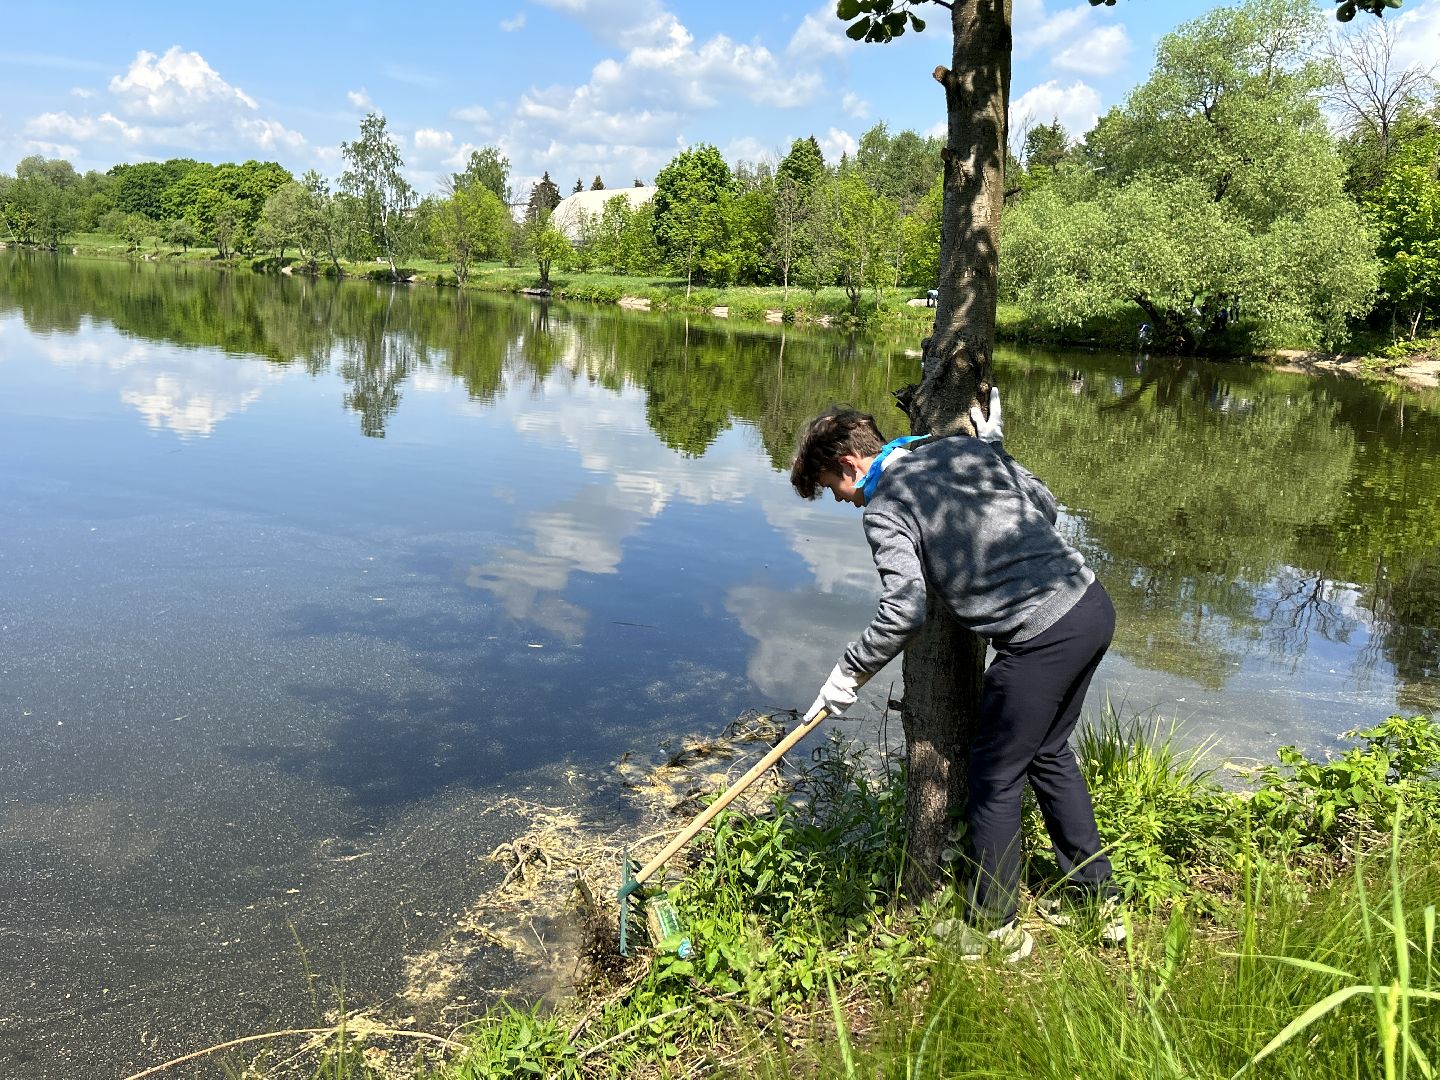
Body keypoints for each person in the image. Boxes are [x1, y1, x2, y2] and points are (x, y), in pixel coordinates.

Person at [789, 388, 1120, 961]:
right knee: (1049, 753)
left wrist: (846, 673)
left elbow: (904, 610)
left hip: (1039, 636)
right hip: (1090, 606)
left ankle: (995, 929)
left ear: (850, 464)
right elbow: (1045, 505)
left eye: (830, 487)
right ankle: (1098, 901)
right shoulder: (956, 452)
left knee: (994, 774)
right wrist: (996, 455)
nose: (840, 500)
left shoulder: (886, 504)